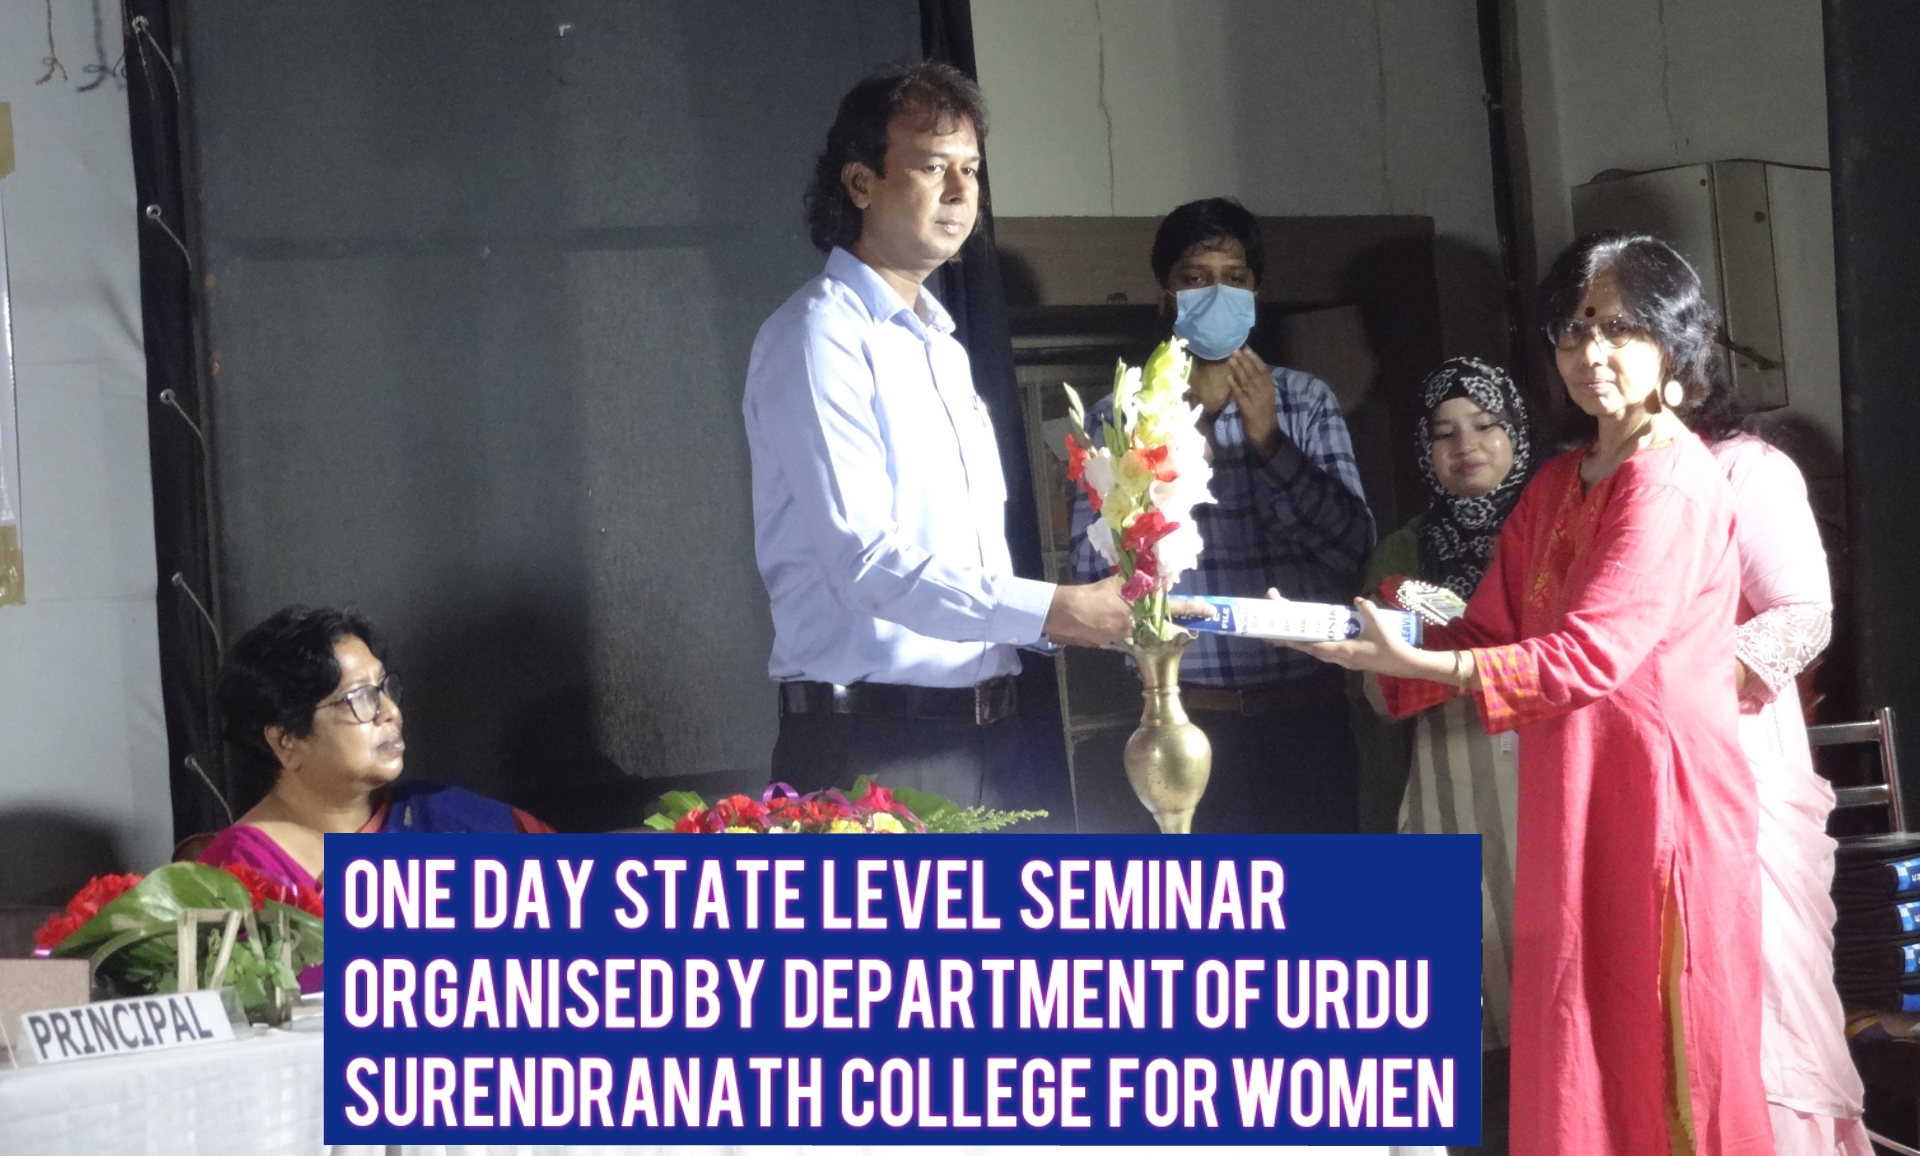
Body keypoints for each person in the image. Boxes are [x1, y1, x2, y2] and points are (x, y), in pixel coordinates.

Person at [1280, 233, 1771, 1154]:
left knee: (1663, 1051)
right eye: (1572, 331)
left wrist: (1426, 666)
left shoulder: (1669, 480)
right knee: (1579, 1031)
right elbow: (1486, 629)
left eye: (1619, 328)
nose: (1591, 353)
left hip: (1655, 804)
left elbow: (1589, 655)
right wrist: (1346, 638)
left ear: (1672, 340)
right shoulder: (1555, 482)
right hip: (1570, 793)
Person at [743, 62, 1129, 805]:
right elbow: (866, 563)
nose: (960, 192)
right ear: (861, 183)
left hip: (993, 736)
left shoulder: (942, 346)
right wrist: (1054, 609)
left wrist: (1073, 616)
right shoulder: (819, 335)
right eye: (931, 167)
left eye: (971, 170)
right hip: (875, 745)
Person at [1068, 197, 1374, 833]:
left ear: (1255, 291)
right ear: (1166, 294)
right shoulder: (1121, 416)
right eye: (1196, 277)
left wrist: (1270, 444)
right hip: (1179, 716)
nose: (1217, 293)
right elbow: (1089, 570)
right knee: (1204, 895)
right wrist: (1162, 473)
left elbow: (1351, 546)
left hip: (1306, 715)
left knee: (1326, 894)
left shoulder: (1305, 400)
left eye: (1234, 278)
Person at [1352, 357, 1535, 1141]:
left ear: (1517, 432)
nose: (1467, 446)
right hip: (1445, 785)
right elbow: (1378, 684)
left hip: (1550, 779)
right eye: (1444, 433)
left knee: (1555, 981)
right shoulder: (1404, 551)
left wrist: (1458, 654)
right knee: (1465, 996)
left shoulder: (1557, 526)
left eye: (1486, 425)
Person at [1686, 397, 1869, 1153]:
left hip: (1734, 773)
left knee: (1763, 1022)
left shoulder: (1743, 467)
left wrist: (1664, 679)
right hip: (1628, 781)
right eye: (1576, 341)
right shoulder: (1589, 480)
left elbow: (1800, 615)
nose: (1596, 358)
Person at [200, 605, 552, 905]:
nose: (391, 712)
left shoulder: (446, 817)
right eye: (358, 698)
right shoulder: (238, 871)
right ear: (287, 741)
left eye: (383, 688)